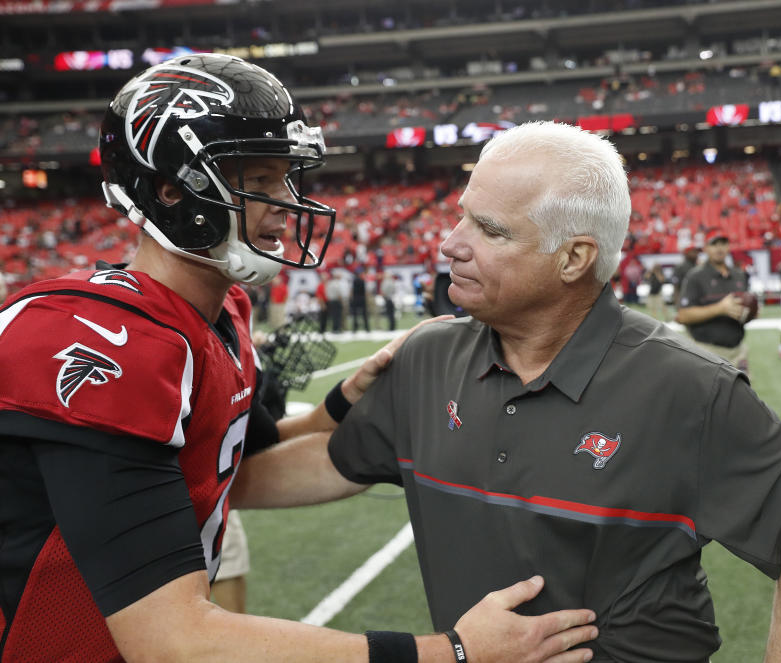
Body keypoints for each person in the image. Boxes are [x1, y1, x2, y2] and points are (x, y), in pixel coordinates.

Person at [0, 55, 597, 663]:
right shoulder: (102, 340)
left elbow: (238, 465)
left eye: (285, 179)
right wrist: (454, 653)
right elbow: (174, 640)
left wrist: (353, 403)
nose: (285, 204)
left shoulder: (220, 313)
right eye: (257, 183)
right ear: (171, 191)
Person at [237, 122, 781, 662]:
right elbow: (331, 462)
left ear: (573, 258)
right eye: (460, 214)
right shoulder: (427, 357)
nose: (451, 242)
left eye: (489, 229)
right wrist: (191, 494)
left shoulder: (686, 387)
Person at [675, 230, 753, 374]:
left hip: (738, 350)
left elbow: (744, 310)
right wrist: (720, 308)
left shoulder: (739, 275)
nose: (719, 248)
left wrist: (750, 313)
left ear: (729, 246)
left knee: (741, 396)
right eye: (714, 244)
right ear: (706, 248)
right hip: (707, 351)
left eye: (723, 243)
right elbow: (683, 315)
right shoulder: (695, 276)